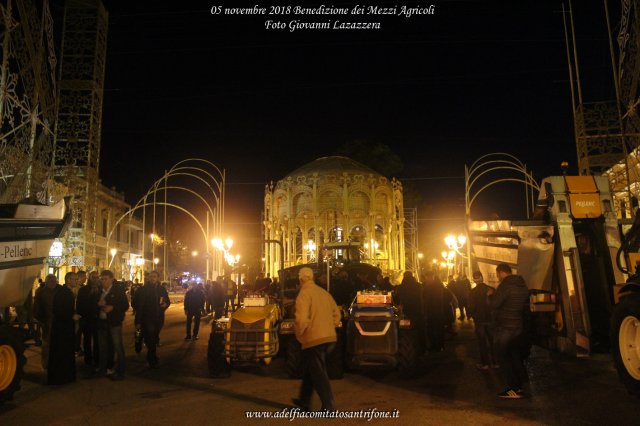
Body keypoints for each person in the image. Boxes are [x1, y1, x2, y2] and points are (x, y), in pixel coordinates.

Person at [292, 267, 341, 411]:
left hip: (314, 340)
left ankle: (329, 406)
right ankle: (304, 401)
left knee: (319, 374)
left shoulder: (304, 294)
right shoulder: (324, 293)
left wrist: (300, 335)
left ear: (301, 279)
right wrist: (329, 327)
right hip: (330, 338)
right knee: (311, 369)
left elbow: (301, 320)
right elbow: (336, 314)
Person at [488, 263, 530, 398]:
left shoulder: (505, 286)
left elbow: (495, 304)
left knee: (502, 357)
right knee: (514, 356)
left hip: (505, 327)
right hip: (517, 326)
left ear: (500, 272)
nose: (498, 277)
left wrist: (490, 296)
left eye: (497, 274)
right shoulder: (522, 285)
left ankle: (513, 390)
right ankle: (523, 384)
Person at [34, 274, 78, 385]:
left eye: (55, 280)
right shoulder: (46, 292)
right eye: (75, 279)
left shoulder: (61, 291)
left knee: (57, 349)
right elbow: (39, 309)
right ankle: (48, 367)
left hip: (60, 325)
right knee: (49, 346)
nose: (77, 281)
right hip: (54, 324)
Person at [97, 270, 129, 380]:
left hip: (114, 322)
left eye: (105, 279)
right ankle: (104, 368)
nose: (103, 281)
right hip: (102, 322)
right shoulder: (99, 291)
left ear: (111, 279)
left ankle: (121, 371)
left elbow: (125, 305)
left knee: (117, 346)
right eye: (102, 279)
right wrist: (98, 305)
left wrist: (112, 307)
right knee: (103, 347)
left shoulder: (118, 290)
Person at [135, 271, 169, 367]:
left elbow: (167, 300)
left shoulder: (161, 289)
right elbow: (138, 305)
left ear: (158, 278)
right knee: (151, 339)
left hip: (159, 318)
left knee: (154, 337)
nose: (152, 278)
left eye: (154, 277)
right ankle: (152, 359)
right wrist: (138, 320)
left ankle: (151, 356)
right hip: (147, 318)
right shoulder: (144, 289)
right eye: (151, 277)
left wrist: (165, 305)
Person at [468, 271, 497, 370]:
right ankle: (495, 362)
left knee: (482, 342)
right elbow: (496, 304)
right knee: (492, 341)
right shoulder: (491, 289)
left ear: (474, 279)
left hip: (479, 320)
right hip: (490, 320)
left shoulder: (473, 292)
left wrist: (473, 315)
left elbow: (471, 307)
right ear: (482, 277)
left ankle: (485, 364)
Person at [76, 271, 102, 368]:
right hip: (86, 319)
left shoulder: (101, 290)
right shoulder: (83, 290)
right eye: (93, 277)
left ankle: (96, 359)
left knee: (97, 341)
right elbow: (80, 305)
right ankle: (88, 359)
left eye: (97, 277)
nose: (95, 279)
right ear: (89, 278)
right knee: (87, 340)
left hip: (97, 319)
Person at [394, 271, 425, 352]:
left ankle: (407, 349)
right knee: (420, 330)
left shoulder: (401, 287)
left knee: (405, 331)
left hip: (405, 314)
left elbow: (396, 298)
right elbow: (422, 298)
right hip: (418, 312)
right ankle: (422, 349)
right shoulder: (418, 286)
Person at [422, 271, 450, 352]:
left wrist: (443, 305)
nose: (428, 279)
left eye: (429, 277)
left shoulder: (433, 287)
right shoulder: (437, 286)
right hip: (434, 312)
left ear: (432, 277)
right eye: (427, 277)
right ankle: (437, 346)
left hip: (435, 311)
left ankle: (437, 345)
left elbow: (448, 297)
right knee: (433, 329)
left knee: (436, 329)